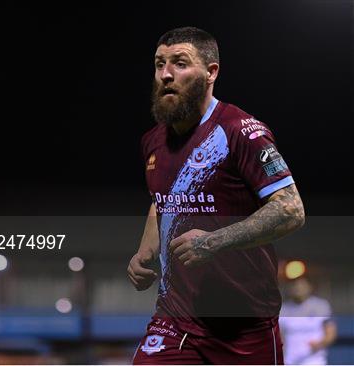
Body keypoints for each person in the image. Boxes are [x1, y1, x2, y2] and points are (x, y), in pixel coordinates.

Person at [127, 27, 305, 364]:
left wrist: (213, 241)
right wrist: (145, 252)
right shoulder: (152, 142)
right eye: (159, 64)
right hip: (175, 318)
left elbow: (291, 209)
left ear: (211, 73)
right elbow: (162, 201)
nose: (166, 74)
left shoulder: (242, 131)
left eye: (180, 63)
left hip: (244, 328)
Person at [280, 277, 337, 365]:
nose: (297, 288)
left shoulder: (321, 306)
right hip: (289, 362)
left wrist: (320, 344)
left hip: (315, 361)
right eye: (294, 285)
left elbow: (331, 333)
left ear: (309, 287)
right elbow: (279, 338)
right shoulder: (282, 309)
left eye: (301, 285)